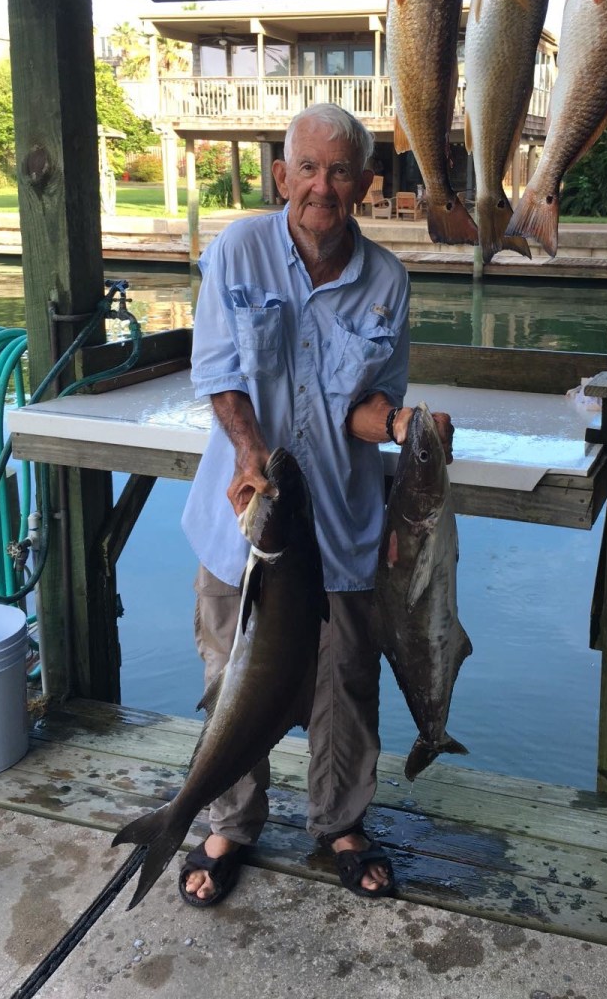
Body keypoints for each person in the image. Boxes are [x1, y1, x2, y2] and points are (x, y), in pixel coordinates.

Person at [180, 103, 454, 906]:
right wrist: (249, 451)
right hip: (246, 522)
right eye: (307, 168)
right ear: (282, 176)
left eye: (339, 171)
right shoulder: (237, 250)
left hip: (340, 521)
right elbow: (218, 374)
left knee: (346, 682)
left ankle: (341, 822)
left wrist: (400, 426)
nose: (322, 187)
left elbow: (362, 406)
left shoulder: (387, 281)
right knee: (231, 679)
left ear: (365, 184)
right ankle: (231, 819)